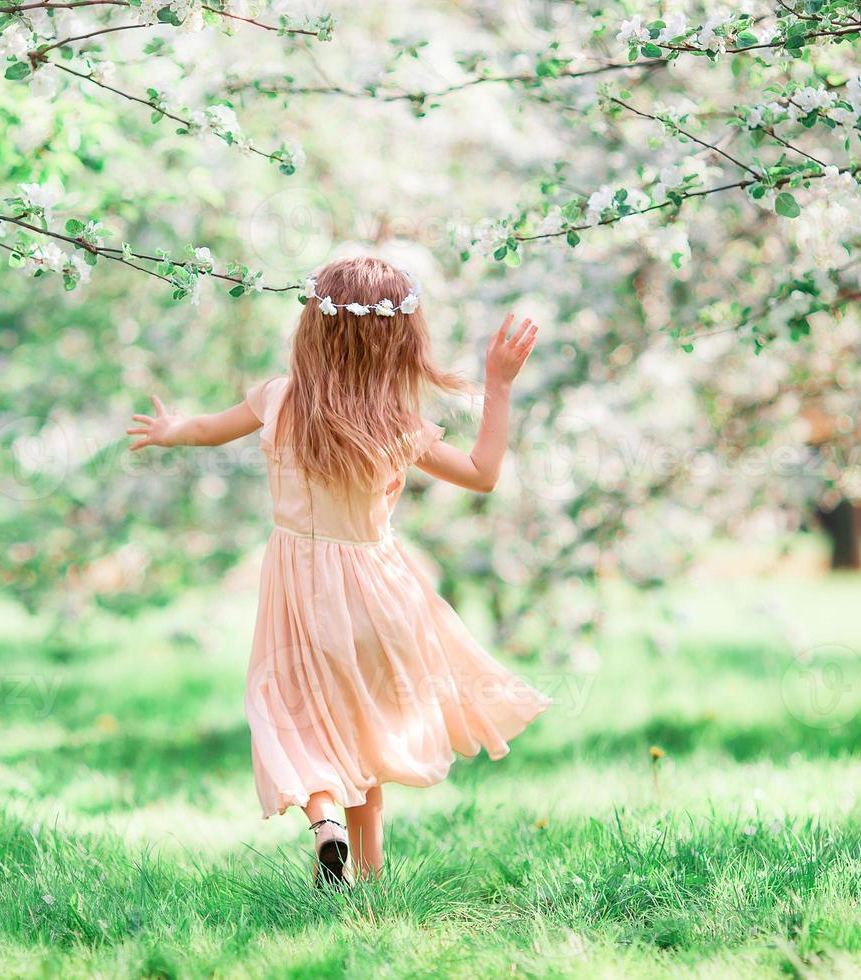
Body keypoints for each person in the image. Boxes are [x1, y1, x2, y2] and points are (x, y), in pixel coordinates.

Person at [127, 256, 550, 887]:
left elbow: (211, 431)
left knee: (289, 708)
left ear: (313, 328)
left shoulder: (279, 397)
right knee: (362, 729)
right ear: (399, 341)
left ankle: (323, 820)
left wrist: (170, 430)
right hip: (379, 596)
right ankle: (371, 884)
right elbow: (483, 474)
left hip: (298, 587)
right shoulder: (397, 424)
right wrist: (500, 383)